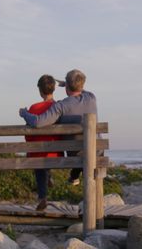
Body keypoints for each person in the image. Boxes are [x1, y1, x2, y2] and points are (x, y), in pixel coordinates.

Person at [20, 69, 97, 186]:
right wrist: (68, 84)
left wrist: (24, 113)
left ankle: (74, 176)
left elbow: (37, 122)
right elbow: (81, 90)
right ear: (82, 85)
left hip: (77, 154)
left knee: (80, 154)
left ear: (67, 88)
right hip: (97, 151)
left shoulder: (61, 106)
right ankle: (75, 176)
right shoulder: (91, 97)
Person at [25, 75, 63, 211]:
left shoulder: (34, 108)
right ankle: (49, 177)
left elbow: (27, 136)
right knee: (46, 159)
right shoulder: (59, 107)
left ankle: (42, 197)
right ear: (54, 89)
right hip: (55, 153)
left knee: (39, 161)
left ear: (40, 91)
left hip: (36, 153)